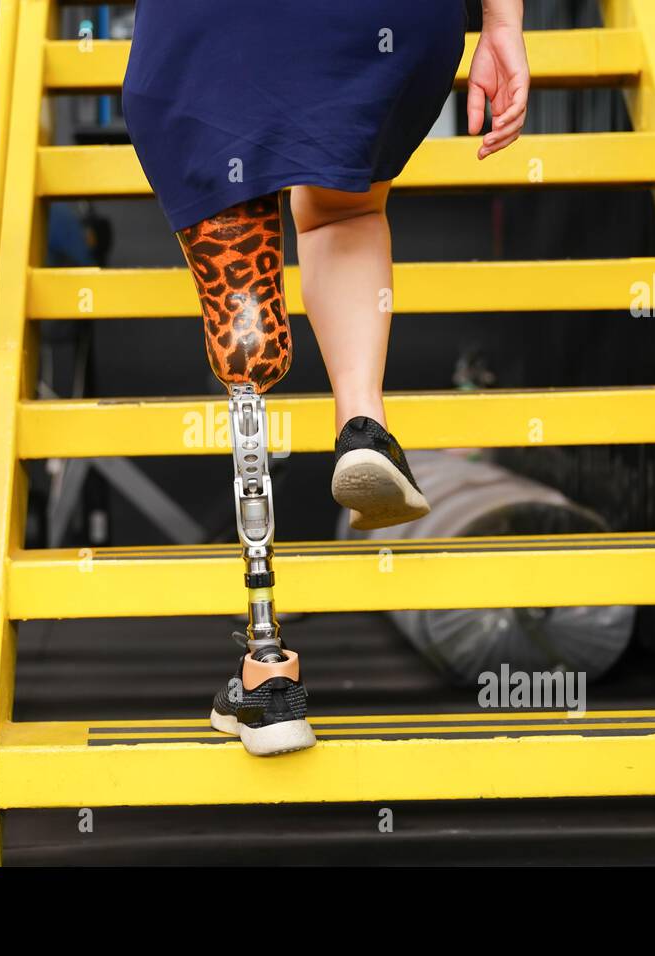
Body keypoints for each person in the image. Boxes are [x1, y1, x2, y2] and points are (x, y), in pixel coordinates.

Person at [122, 1, 530, 755]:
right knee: (341, 214)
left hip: (212, 31)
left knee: (232, 211)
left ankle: (267, 664)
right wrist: (504, 26)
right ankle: (361, 424)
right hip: (380, 22)